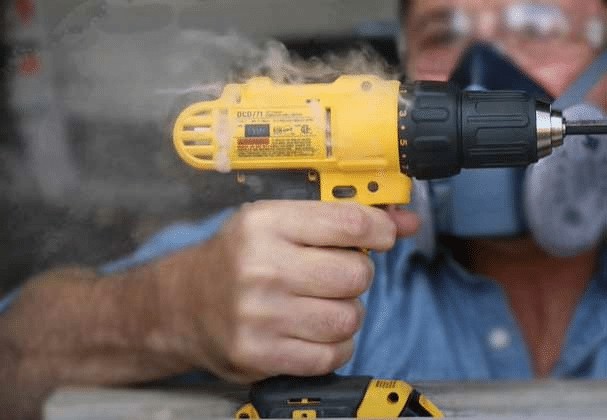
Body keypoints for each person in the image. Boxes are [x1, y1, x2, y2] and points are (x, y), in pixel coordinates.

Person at [1, 0, 606, 419]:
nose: (482, 71)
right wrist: (173, 310)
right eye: (443, 32)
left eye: (538, 22)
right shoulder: (289, 266)